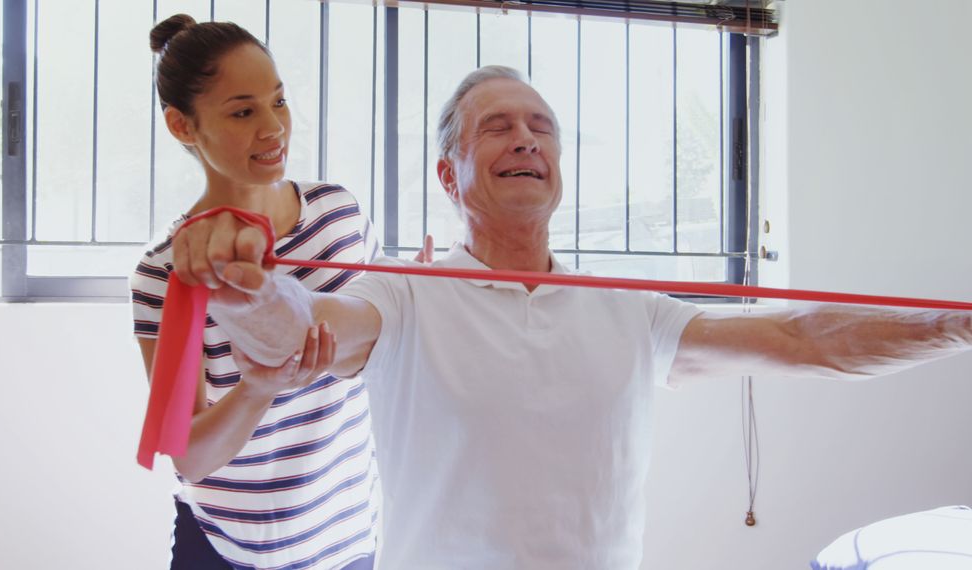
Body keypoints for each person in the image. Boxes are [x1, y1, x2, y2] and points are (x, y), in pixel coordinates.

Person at [169, 66, 972, 568]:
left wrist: (957, 328)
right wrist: (243, 286)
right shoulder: (406, 296)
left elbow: (803, 340)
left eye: (540, 126)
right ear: (449, 176)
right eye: (498, 127)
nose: (526, 139)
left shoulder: (628, 308)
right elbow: (298, 331)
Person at [130, 14, 435, 570]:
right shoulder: (170, 271)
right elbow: (191, 458)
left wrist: (417, 292)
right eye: (243, 111)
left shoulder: (339, 215)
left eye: (279, 101)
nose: (273, 127)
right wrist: (258, 387)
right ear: (182, 126)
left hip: (343, 543)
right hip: (222, 550)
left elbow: (380, 337)